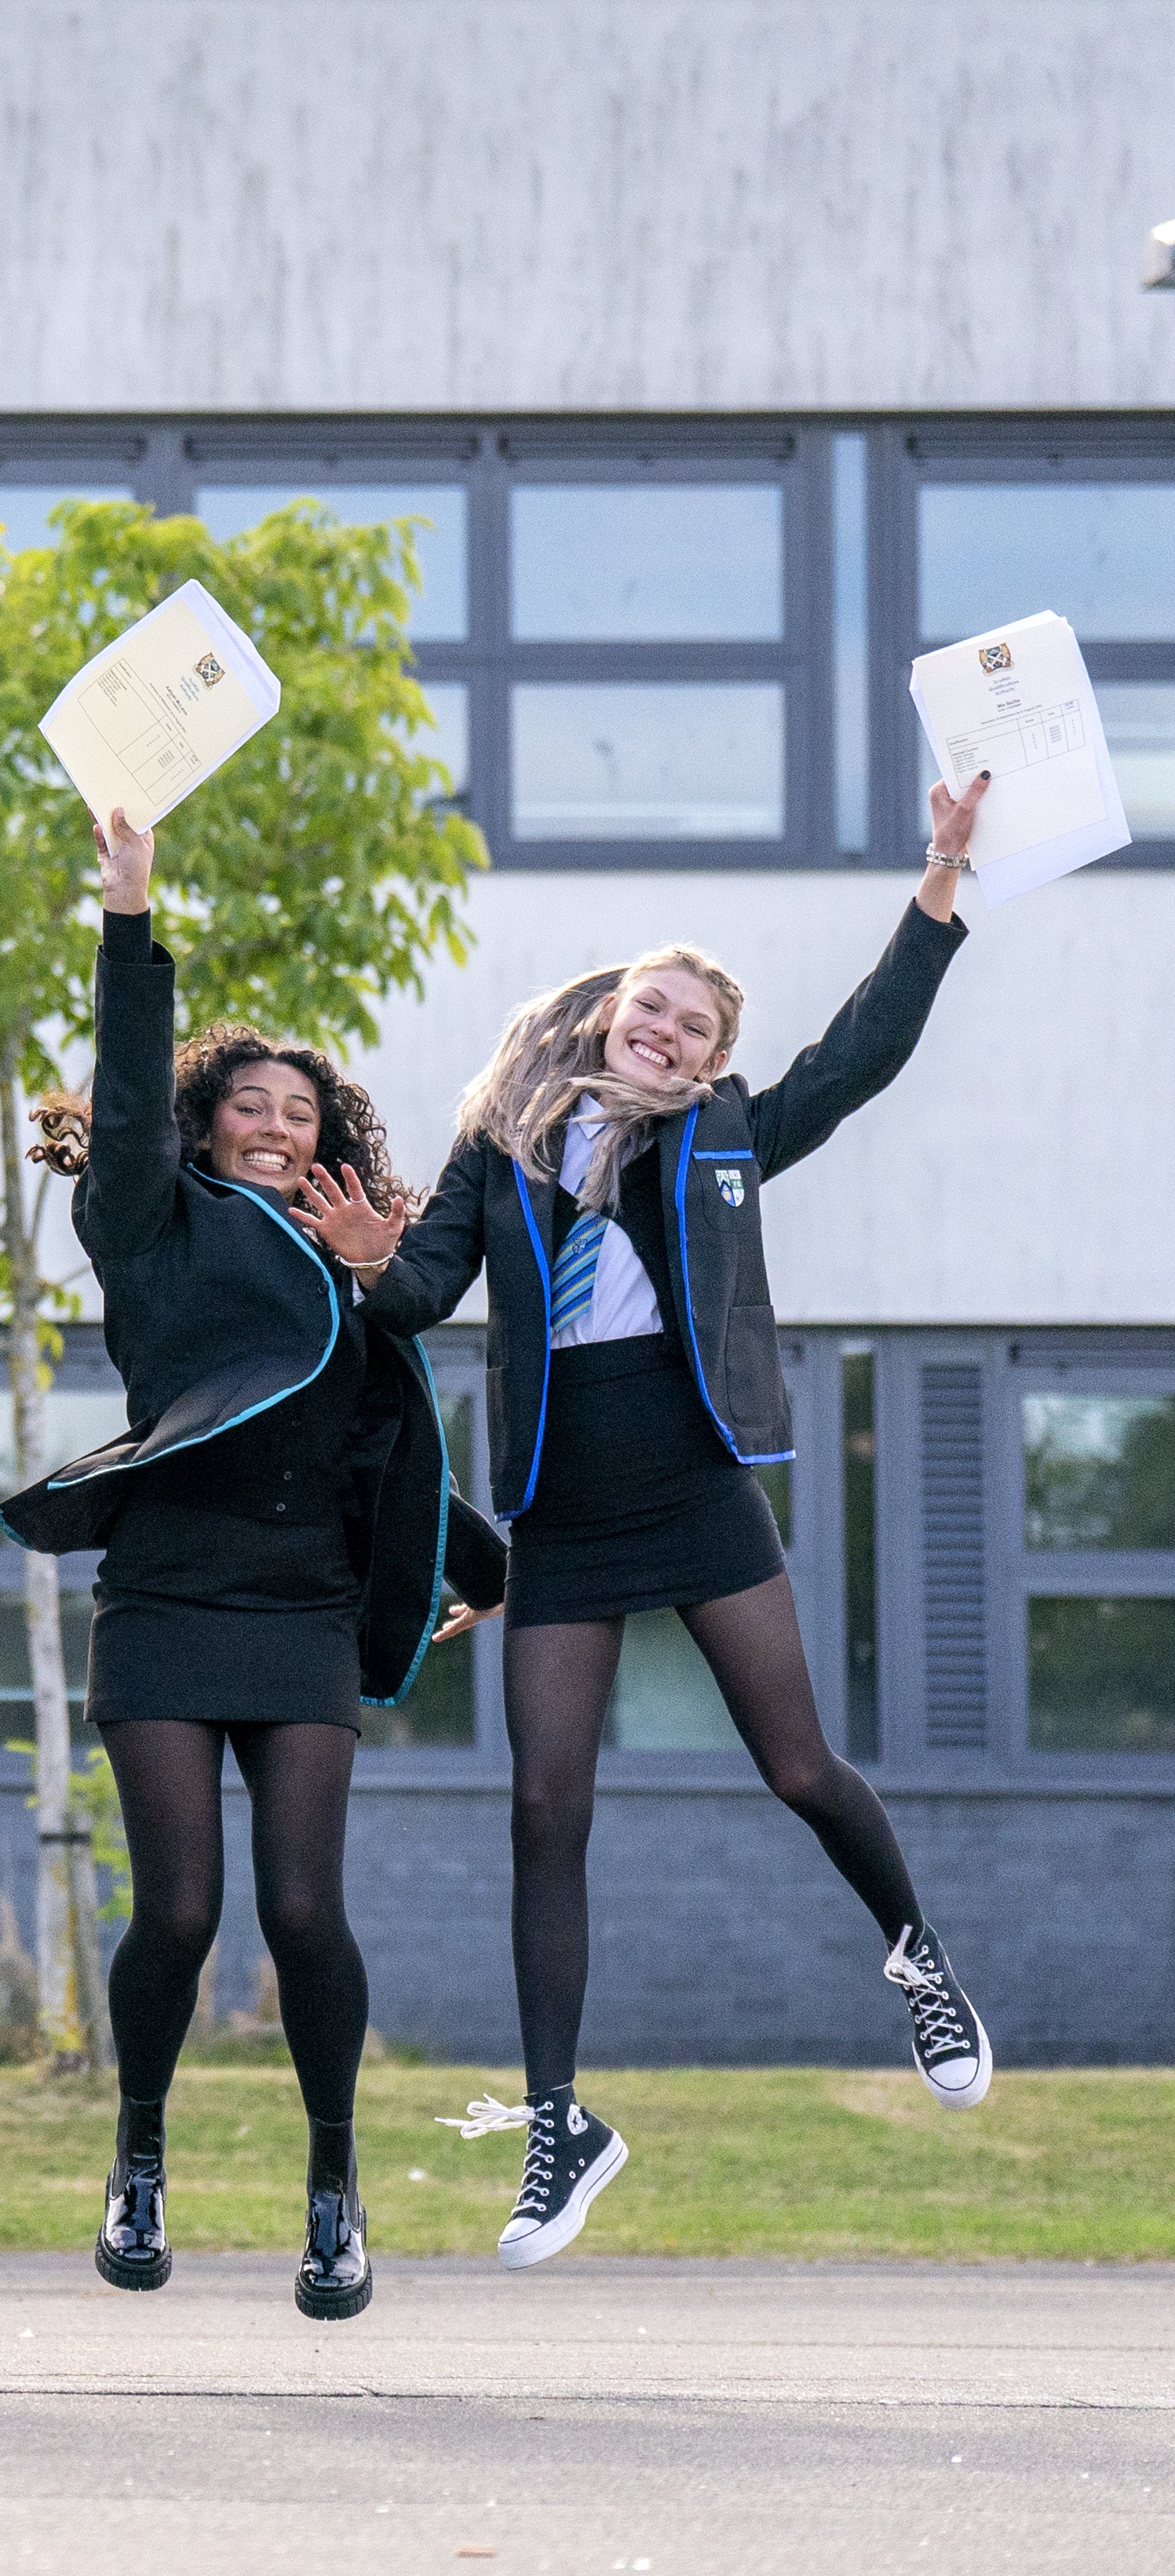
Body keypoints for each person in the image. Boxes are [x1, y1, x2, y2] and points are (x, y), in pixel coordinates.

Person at [370, 773, 1002, 2269]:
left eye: (692, 1026)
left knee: (795, 1763)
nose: (662, 1034)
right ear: (606, 1016)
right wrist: (354, 1255)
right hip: (560, 1515)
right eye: (647, 1011)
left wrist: (936, 885)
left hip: (695, 1489)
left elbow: (856, 1059)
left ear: (711, 1053)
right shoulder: (497, 1150)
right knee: (543, 1811)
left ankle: (917, 1956)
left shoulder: (721, 1140)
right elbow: (413, 1300)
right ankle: (554, 2127)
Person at [0, 809, 506, 2322]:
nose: (275, 1122)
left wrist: (468, 1563)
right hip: (162, 1600)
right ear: (203, 1124)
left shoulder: (361, 1266)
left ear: (328, 1132)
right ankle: (138, 2157)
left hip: (296, 1611)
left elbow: (381, 1443)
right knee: (176, 1913)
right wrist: (128, 905)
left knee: (302, 1913)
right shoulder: (146, 1222)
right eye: (249, 1105)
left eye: (301, 1108)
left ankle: (334, 2189)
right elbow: (134, 1097)